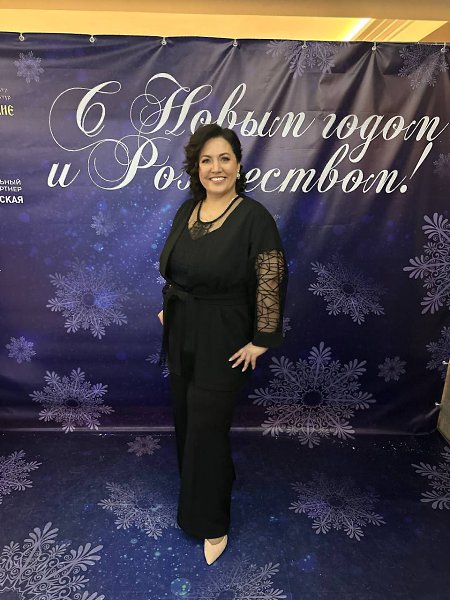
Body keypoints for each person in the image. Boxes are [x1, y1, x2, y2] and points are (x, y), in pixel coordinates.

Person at [157, 124, 288, 565]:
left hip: (225, 337)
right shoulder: (187, 210)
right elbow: (179, 270)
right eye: (207, 160)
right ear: (196, 167)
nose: (216, 168)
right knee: (186, 419)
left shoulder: (254, 217)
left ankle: (211, 521)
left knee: (207, 430)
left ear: (238, 164)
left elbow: (271, 276)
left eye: (225, 158)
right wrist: (168, 308)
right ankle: (203, 486)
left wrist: (261, 340)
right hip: (182, 333)